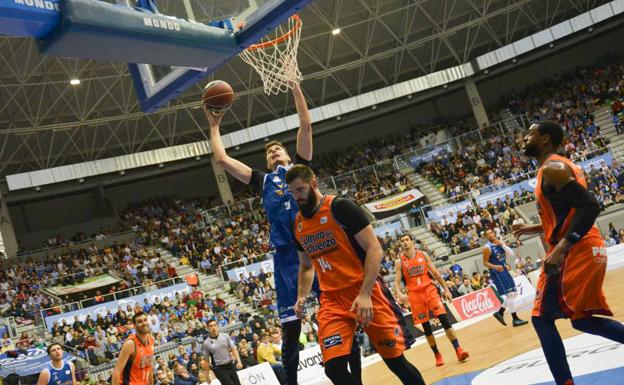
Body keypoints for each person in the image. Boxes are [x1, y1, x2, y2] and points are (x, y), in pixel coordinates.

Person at [205, 83, 360, 385]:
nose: (274, 151)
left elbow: (305, 124)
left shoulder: (300, 171)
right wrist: (213, 127)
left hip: (319, 247)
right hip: (289, 258)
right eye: (270, 152)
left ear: (289, 156)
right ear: (267, 163)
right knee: (290, 331)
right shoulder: (263, 181)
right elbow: (222, 160)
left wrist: (296, 87)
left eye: (278, 148)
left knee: (344, 318)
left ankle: (357, 379)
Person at [287, 165, 425, 385]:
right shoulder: (297, 224)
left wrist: (365, 294)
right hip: (332, 300)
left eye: (300, 190)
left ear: (313, 184)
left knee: (396, 362)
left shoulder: (341, 208)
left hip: (365, 291)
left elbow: (375, 249)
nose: (297, 197)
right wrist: (302, 296)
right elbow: (305, 266)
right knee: (334, 369)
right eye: (292, 192)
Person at [513, 120, 624, 385]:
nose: (524, 138)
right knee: (581, 321)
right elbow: (570, 211)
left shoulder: (553, 168)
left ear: (545, 139)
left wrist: (562, 247)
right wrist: (533, 228)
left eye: (530, 134)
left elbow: (590, 206)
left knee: (541, 318)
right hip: (586, 245)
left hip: (576, 249)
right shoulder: (553, 169)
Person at [394, 234, 469, 367]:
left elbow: (436, 273)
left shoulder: (423, 254)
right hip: (414, 295)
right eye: (402, 241)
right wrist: (399, 293)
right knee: (427, 328)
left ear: (412, 241)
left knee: (444, 320)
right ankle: (437, 354)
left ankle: (458, 349)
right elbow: (396, 282)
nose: (404, 242)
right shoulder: (400, 261)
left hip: (429, 290)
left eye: (406, 240)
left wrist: (446, 289)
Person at [482, 229, 529, 327]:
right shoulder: (487, 248)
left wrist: (502, 244)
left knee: (514, 293)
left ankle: (500, 313)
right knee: (510, 294)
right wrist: (495, 267)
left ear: (494, 233)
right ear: (487, 237)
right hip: (497, 272)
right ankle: (515, 319)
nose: (490, 235)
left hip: (504, 270)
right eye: (487, 234)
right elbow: (485, 262)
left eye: (491, 233)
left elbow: (511, 254)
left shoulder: (500, 244)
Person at [111, 312, 154, 385]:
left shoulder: (151, 339)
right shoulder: (130, 344)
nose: (144, 323)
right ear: (134, 326)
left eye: (145, 320)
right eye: (140, 321)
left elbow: (149, 365)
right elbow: (117, 370)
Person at [201, 319, 242, 385]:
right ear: (208, 328)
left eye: (214, 325)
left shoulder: (225, 336)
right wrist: (207, 375)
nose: (213, 327)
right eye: (211, 326)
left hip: (230, 365)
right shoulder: (206, 343)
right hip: (219, 369)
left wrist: (239, 361)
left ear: (217, 326)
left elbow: (233, 349)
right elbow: (206, 361)